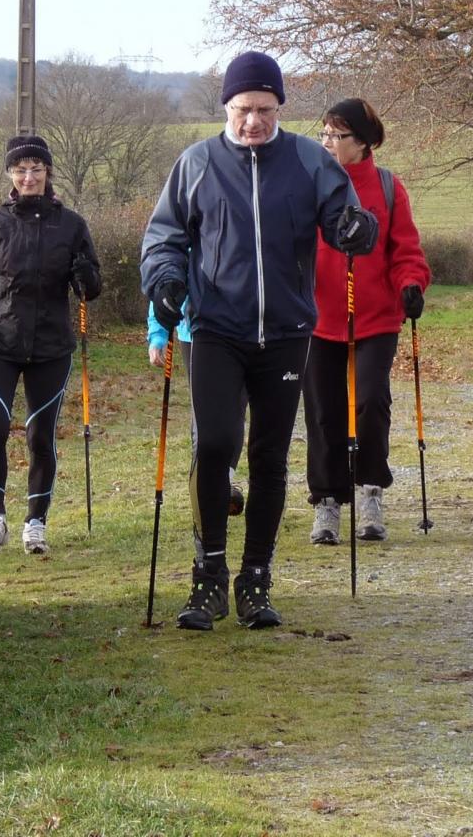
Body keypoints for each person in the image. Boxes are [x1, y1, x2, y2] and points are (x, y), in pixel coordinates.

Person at [140, 51, 377, 631]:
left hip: (287, 332)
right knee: (215, 445)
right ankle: (208, 578)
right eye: (244, 109)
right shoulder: (196, 164)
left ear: (280, 108)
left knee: (270, 456)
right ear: (226, 106)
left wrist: (355, 228)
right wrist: (166, 281)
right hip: (216, 330)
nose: (254, 122)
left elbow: (350, 220)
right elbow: (163, 238)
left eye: (266, 110)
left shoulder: (308, 160)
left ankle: (255, 580)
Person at [0, 135, 102, 554]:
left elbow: (91, 289)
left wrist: (84, 274)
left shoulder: (72, 225)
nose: (28, 176)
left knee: (41, 436)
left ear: (47, 173)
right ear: (10, 174)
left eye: (36, 169)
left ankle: (35, 522)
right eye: (20, 169)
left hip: (51, 347)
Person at [305, 99, 431, 545]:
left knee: (371, 402)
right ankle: (326, 503)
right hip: (319, 318)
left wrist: (411, 284)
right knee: (323, 412)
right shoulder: (311, 184)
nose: (327, 143)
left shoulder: (387, 187)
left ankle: (370, 488)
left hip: (376, 317)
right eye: (324, 134)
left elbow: (406, 251)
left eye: (337, 135)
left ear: (362, 142)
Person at [146, 301, 248, 515]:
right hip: (193, 331)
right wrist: (158, 333)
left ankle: (222, 485)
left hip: (242, 330)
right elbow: (165, 282)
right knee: (203, 415)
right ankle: (204, 489)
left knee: (234, 408)